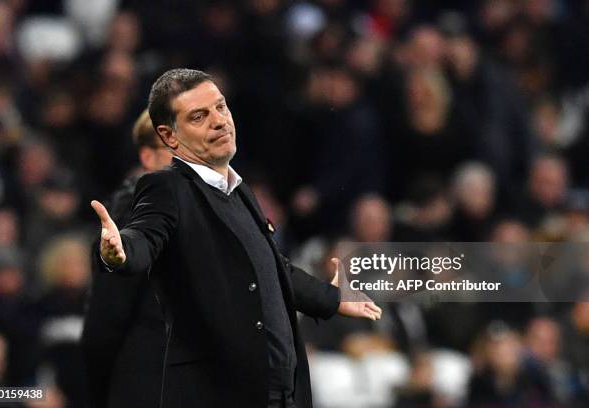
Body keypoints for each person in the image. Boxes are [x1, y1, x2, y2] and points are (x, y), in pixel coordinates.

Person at [91, 68, 382, 408]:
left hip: (278, 392)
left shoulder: (240, 191)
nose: (219, 121)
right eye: (199, 116)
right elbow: (144, 237)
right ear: (170, 137)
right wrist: (120, 251)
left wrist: (331, 299)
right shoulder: (166, 187)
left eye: (221, 107)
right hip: (217, 394)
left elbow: (273, 268)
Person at [82, 109, 173, 408]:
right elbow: (107, 317)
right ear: (148, 156)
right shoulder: (128, 217)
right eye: (174, 149)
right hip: (149, 384)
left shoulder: (211, 210)